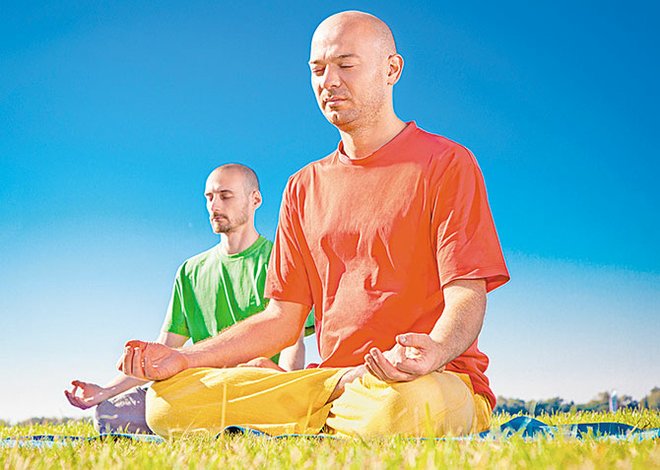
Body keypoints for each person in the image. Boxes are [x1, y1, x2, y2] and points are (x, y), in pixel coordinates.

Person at [118, 11, 510, 438]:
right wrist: (187, 359)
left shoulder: (447, 164)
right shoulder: (302, 187)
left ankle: (322, 422)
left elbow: (467, 297)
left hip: (427, 380)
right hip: (331, 382)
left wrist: (435, 351)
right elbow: (283, 319)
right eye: (318, 70)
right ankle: (333, 418)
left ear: (391, 70)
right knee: (168, 403)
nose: (330, 81)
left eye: (346, 65)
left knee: (399, 410)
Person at [64, 163, 312, 433]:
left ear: (255, 200)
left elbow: (291, 337)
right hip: (201, 385)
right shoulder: (190, 271)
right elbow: (166, 348)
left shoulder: (278, 260)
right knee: (109, 415)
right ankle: (219, 425)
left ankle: (236, 423)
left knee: (259, 399)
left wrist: (288, 381)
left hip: (257, 385)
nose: (214, 206)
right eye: (209, 197)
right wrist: (105, 390)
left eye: (225, 196)